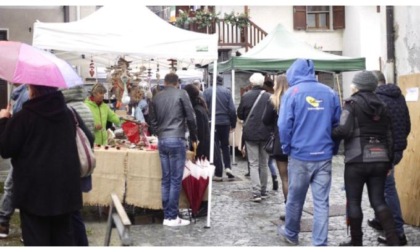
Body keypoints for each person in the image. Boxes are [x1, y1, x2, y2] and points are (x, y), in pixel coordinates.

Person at [0, 84, 92, 246]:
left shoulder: (24, 117)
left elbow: (6, 149)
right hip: (65, 192)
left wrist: (3, 121)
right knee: (63, 239)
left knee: (37, 240)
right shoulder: (68, 114)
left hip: (33, 194)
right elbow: (89, 138)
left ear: (33, 90)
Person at [277, 59, 341, 246]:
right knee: (321, 202)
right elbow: (337, 125)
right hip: (323, 155)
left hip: (300, 155)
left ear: (293, 73)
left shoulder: (292, 93)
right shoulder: (330, 92)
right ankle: (320, 243)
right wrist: (333, 148)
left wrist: (286, 147)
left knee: (295, 199)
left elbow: (283, 125)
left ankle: (291, 233)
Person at [332, 71, 400, 246]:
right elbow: (390, 135)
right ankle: (394, 239)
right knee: (379, 201)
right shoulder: (383, 105)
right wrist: (390, 160)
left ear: (357, 86)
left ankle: (356, 242)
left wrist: (332, 132)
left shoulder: (351, 104)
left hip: (357, 159)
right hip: (380, 158)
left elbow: (344, 130)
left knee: (354, 201)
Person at [366, 70, 410, 246]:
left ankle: (398, 233)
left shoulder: (377, 99)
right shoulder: (399, 97)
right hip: (396, 149)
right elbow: (407, 125)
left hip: (383, 151)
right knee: (381, 187)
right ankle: (380, 219)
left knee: (388, 189)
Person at [149, 73, 198, 227]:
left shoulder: (156, 97)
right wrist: (194, 137)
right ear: (177, 82)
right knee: (175, 180)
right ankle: (171, 217)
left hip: (163, 140)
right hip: (177, 138)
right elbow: (191, 117)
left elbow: (152, 121)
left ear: (165, 82)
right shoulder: (182, 93)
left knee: (166, 179)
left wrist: (159, 133)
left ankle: (167, 216)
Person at [61, 85, 95, 246]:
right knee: (75, 209)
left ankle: (79, 243)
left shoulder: (68, 109)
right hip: (81, 163)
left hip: (70, 165)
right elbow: (90, 137)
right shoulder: (85, 107)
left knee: (72, 212)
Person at [183, 84, 223, 216]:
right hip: (203, 146)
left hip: (202, 147)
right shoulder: (199, 107)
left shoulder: (197, 110)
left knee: (201, 177)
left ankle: (203, 206)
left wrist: (195, 146)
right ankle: (201, 205)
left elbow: (200, 133)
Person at [237, 73, 272, 202]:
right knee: (264, 163)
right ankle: (263, 190)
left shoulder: (246, 96)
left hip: (250, 133)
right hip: (265, 133)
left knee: (253, 163)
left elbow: (240, 114)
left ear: (251, 83)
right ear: (262, 83)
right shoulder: (269, 97)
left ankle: (256, 192)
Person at [0, 83, 29, 239]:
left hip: (24, 151)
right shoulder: (21, 94)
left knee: (12, 186)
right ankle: (5, 222)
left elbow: (5, 148)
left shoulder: (24, 94)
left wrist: (5, 120)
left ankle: (4, 222)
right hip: (25, 151)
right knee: (13, 185)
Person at [262, 74, 289, 219]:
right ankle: (295, 209)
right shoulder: (295, 98)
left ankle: (289, 210)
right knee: (296, 178)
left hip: (280, 141)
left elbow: (265, 120)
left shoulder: (273, 100)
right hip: (297, 142)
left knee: (285, 178)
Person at [203, 75, 237, 181]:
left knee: (215, 147)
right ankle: (228, 167)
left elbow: (204, 108)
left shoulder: (207, 92)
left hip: (212, 122)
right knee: (225, 146)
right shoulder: (227, 92)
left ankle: (218, 172)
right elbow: (232, 109)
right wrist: (233, 123)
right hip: (225, 122)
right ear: (222, 82)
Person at [262, 76, 279, 191]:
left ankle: (275, 179)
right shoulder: (287, 98)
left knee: (267, 161)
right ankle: (275, 180)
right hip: (283, 135)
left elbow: (266, 119)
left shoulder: (271, 99)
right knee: (271, 161)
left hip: (272, 133)